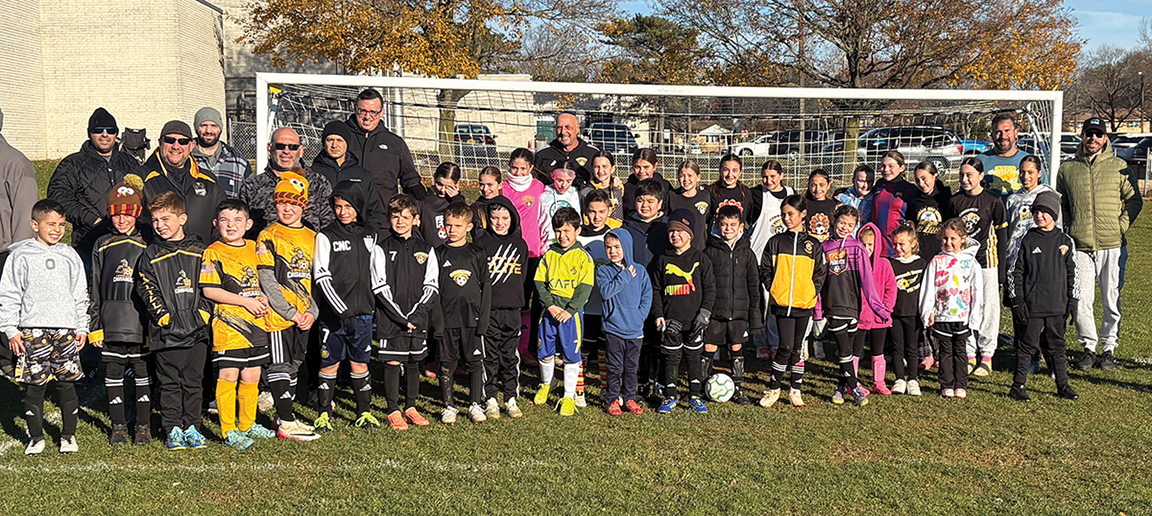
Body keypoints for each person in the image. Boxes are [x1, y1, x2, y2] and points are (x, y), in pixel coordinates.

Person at [1, 200, 88, 455]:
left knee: (66, 384)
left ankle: (68, 436)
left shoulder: (70, 255)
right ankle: (36, 437)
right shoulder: (20, 256)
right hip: (33, 331)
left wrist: (82, 327)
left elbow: (80, 293)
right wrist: (10, 329)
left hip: (65, 331)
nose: (57, 230)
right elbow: (9, 294)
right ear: (34, 225)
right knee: (35, 386)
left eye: (61, 224)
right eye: (51, 224)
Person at [1056, 117, 1142, 371]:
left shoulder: (1118, 166)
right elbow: (1063, 204)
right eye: (1088, 134)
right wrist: (1069, 230)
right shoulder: (1067, 169)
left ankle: (1108, 349)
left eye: (1097, 134)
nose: (1092, 138)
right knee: (1081, 298)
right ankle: (1088, 347)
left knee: (1110, 298)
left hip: (1112, 245)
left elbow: (1134, 200)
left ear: (1105, 138)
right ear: (1082, 137)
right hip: (1081, 246)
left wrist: (1120, 226)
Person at [199, 198, 279, 450]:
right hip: (228, 326)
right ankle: (228, 430)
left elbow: (261, 281)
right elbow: (210, 290)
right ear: (216, 224)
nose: (231, 225)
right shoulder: (212, 252)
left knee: (252, 375)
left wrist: (263, 297)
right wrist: (245, 302)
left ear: (248, 224)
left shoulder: (255, 248)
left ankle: (247, 423)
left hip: (256, 324)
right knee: (229, 375)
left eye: (237, 220)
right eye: (224, 220)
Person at [136, 192, 212, 450]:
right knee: (169, 383)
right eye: (155, 220)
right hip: (165, 333)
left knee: (193, 382)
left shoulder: (201, 251)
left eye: (166, 218)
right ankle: (173, 428)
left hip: (197, 331)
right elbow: (147, 288)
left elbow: (210, 285)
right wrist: (163, 316)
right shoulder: (150, 254)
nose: (160, 225)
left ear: (182, 219)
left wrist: (203, 313)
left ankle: (192, 426)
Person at [256, 173, 321, 441]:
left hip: (304, 316)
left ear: (303, 206)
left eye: (294, 203)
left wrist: (312, 313)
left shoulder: (314, 237)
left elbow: (317, 281)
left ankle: (283, 416)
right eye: (282, 202)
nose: (287, 208)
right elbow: (267, 278)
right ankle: (287, 421)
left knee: (295, 364)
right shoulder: (268, 235)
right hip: (279, 316)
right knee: (279, 365)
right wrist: (289, 312)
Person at [88, 178, 152, 445]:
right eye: (116, 214)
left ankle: (143, 426)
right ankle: (118, 426)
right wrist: (95, 325)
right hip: (111, 321)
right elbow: (94, 287)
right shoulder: (102, 244)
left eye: (127, 214)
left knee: (142, 374)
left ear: (137, 214)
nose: (122, 220)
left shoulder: (148, 242)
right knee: (113, 374)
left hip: (139, 323)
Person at [313, 181, 381, 430]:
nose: (343, 212)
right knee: (329, 363)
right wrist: (340, 308)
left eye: (349, 206)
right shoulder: (326, 235)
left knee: (360, 362)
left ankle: (364, 412)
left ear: (359, 206)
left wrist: (373, 305)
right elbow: (321, 275)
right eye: (338, 206)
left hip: (362, 314)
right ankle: (324, 413)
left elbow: (377, 273)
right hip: (333, 316)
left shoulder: (371, 234)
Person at [371, 194, 439, 430]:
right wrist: (401, 317)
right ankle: (392, 410)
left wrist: (417, 315)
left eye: (405, 217)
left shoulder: (426, 249)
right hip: (391, 318)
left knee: (413, 360)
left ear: (416, 220)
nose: (400, 222)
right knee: (392, 361)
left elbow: (432, 285)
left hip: (417, 318)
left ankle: (410, 407)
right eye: (395, 217)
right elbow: (379, 286)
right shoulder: (381, 248)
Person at [47, 107, 142, 265]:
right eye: (98, 130)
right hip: (89, 242)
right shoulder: (73, 164)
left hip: (128, 242)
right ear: (89, 133)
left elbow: (142, 194)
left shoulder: (129, 162)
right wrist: (92, 219)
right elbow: (58, 197)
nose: (105, 134)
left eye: (110, 130)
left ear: (116, 134)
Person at [1008, 191, 1079, 402]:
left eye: (1044, 212)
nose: (1039, 216)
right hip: (1033, 306)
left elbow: (1073, 273)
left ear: (1054, 214)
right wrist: (1017, 301)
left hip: (1057, 305)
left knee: (1057, 345)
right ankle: (1018, 386)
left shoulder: (1065, 241)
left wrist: (1073, 302)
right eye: (1036, 212)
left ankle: (1063, 385)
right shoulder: (1026, 239)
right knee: (1026, 345)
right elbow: (1015, 271)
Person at [758, 195, 826, 409]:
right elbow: (765, 268)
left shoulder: (813, 245)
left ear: (803, 214)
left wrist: (811, 292)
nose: (786, 218)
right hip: (781, 304)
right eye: (784, 214)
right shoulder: (776, 242)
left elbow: (820, 273)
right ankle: (774, 389)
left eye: (791, 214)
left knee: (797, 348)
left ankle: (795, 390)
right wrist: (774, 288)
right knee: (785, 346)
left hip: (804, 304)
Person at [817, 205, 887, 406]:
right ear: (834, 221)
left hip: (854, 307)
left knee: (846, 351)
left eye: (850, 225)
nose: (845, 228)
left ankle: (840, 388)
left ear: (855, 226)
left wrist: (877, 307)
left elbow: (867, 280)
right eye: (842, 222)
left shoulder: (857, 248)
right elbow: (819, 281)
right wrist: (818, 310)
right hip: (834, 305)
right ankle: (855, 388)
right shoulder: (824, 248)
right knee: (844, 350)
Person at [651, 208, 716, 414]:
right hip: (671, 321)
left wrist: (704, 314)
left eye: (680, 231)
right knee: (671, 358)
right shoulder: (663, 260)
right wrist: (659, 315)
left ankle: (695, 396)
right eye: (671, 231)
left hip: (695, 321)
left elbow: (710, 289)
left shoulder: (701, 259)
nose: (675, 235)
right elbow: (656, 290)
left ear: (690, 234)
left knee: (693, 358)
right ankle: (670, 396)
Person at [532, 207, 594, 416]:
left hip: (570, 315)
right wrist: (549, 305)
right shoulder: (549, 255)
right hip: (549, 311)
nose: (562, 236)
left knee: (571, 354)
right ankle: (546, 384)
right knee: (545, 351)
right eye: (558, 231)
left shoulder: (583, 257)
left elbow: (585, 288)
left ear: (578, 231)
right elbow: (539, 282)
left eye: (567, 231)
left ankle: (568, 396)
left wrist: (570, 310)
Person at [947, 157, 1006, 376]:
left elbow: (1002, 235)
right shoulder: (955, 202)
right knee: (966, 307)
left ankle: (987, 355)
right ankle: (969, 354)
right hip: (963, 264)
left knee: (989, 308)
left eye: (969, 175)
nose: (965, 179)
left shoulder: (993, 200)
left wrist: (1002, 270)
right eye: (962, 175)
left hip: (987, 262)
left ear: (981, 176)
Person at [434, 203, 491, 424]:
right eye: (448, 225)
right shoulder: (438, 254)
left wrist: (482, 320)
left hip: (472, 319)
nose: (452, 230)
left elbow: (486, 287)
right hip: (447, 319)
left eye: (458, 226)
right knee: (447, 363)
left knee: (474, 362)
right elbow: (433, 289)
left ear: (468, 227)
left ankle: (475, 404)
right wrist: (436, 320)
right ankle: (449, 406)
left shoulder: (477, 253)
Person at [474, 196, 528, 419]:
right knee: (489, 355)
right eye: (495, 218)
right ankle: (491, 398)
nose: (500, 222)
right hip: (488, 310)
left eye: (505, 218)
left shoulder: (520, 245)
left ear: (513, 219)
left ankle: (511, 397)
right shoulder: (481, 243)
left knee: (510, 355)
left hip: (512, 310)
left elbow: (522, 276)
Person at [703, 205, 762, 405]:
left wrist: (754, 317)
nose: (728, 229)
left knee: (736, 347)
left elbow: (754, 286)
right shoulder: (710, 251)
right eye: (724, 224)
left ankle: (737, 388)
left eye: (732, 225)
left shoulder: (747, 253)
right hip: (715, 312)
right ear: (717, 225)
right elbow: (705, 283)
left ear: (741, 227)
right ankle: (703, 386)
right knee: (709, 346)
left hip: (738, 313)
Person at [920, 218, 983, 399]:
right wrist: (928, 312)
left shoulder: (970, 262)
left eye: (953, 239)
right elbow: (929, 288)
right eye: (945, 238)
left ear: (963, 239)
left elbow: (977, 291)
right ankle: (947, 384)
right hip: (942, 315)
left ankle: (961, 384)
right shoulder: (936, 261)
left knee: (961, 351)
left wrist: (974, 317)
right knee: (945, 352)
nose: (948, 242)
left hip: (962, 316)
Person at [0, 108, 41, 377]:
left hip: (5, 249)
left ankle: (8, 357)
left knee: (8, 306)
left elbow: (26, 213)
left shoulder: (15, 162)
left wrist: (18, 254)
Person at [140, 120, 227, 245]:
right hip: (158, 255)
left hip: (201, 254)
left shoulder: (209, 181)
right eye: (170, 140)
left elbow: (223, 221)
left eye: (183, 142)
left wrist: (216, 249)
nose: (176, 146)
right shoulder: (141, 178)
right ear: (160, 142)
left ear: (191, 146)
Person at [622, 179, 669, 399]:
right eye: (641, 200)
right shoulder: (627, 227)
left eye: (650, 201)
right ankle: (640, 381)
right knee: (638, 339)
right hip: (635, 293)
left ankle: (659, 381)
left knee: (659, 338)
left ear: (660, 203)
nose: (645, 205)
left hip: (660, 292)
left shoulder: (667, 227)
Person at [239, 127, 334, 234]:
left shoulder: (318, 183)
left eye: (293, 147)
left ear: (301, 151)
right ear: (270, 148)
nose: (286, 151)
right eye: (280, 146)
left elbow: (329, 227)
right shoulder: (252, 186)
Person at [597, 228, 651, 415]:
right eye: (608, 247)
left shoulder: (640, 271)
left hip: (635, 329)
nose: (612, 251)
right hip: (614, 328)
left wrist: (640, 316)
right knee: (614, 367)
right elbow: (606, 292)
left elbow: (647, 295)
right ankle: (612, 399)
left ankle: (630, 398)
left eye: (617, 247)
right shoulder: (604, 270)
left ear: (626, 247)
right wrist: (625, 275)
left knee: (631, 367)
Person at [344, 88, 426, 210]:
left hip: (383, 214)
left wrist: (419, 197)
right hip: (347, 213)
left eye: (373, 112)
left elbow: (410, 179)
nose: (367, 117)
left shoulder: (395, 143)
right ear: (355, 109)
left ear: (382, 112)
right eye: (363, 111)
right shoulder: (341, 138)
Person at [748, 160, 795, 361]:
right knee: (760, 303)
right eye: (764, 177)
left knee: (777, 303)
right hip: (759, 256)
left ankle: (776, 343)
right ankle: (761, 344)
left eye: (773, 177)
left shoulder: (791, 193)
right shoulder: (757, 194)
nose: (768, 181)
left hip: (783, 257)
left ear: (782, 175)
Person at [576, 190, 615, 405]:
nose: (597, 216)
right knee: (584, 347)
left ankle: (605, 388)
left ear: (609, 211)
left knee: (604, 347)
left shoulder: (615, 236)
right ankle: (579, 389)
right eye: (592, 211)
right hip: (585, 305)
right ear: (585, 212)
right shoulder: (578, 237)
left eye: (601, 211)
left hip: (607, 305)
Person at [310, 120, 385, 229]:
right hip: (323, 233)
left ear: (347, 143)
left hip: (357, 234)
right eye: (330, 140)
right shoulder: (313, 173)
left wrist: (370, 232)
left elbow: (373, 210)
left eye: (339, 140)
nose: (334, 145)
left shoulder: (363, 175)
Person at [857, 223, 896, 395]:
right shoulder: (855, 264)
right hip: (859, 316)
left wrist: (886, 309)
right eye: (863, 245)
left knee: (878, 350)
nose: (867, 249)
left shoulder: (884, 264)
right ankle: (853, 381)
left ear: (877, 244)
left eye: (870, 245)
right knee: (855, 350)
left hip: (879, 317)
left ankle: (879, 381)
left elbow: (891, 287)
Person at [888, 224, 926, 396]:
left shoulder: (921, 263)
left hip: (913, 313)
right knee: (897, 348)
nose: (898, 248)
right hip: (894, 313)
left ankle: (912, 379)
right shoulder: (890, 263)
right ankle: (899, 379)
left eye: (902, 244)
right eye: (894, 244)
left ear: (913, 243)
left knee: (912, 348)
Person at [191, 107, 252, 198]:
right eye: (203, 125)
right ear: (196, 128)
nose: (208, 131)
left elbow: (250, 197)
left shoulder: (238, 161)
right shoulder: (186, 157)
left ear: (220, 128)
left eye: (214, 126)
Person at [868, 150, 918, 255]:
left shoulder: (909, 189)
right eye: (883, 166)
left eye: (891, 166)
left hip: (897, 247)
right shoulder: (879, 185)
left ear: (902, 168)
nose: (886, 170)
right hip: (876, 245)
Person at [535, 112, 599, 185]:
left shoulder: (592, 153)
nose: (563, 132)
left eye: (568, 127)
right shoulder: (542, 154)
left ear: (577, 128)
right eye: (559, 128)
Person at [906, 160, 952, 260]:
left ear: (935, 176)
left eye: (924, 179)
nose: (921, 184)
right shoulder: (914, 200)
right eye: (917, 180)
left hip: (941, 252)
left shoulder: (945, 198)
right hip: (921, 253)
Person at [978, 112, 1030, 197]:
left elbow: (1044, 194)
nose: (1003, 136)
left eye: (1007, 131)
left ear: (1016, 133)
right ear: (992, 135)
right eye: (998, 132)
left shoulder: (1029, 162)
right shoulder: (979, 162)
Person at [418, 162, 466, 248]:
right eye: (439, 184)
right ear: (434, 178)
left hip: (452, 250)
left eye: (448, 186)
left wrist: (456, 199)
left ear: (457, 185)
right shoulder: (424, 199)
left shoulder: (458, 202)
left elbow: (465, 223)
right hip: (428, 250)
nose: (443, 190)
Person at [668, 160, 711, 251]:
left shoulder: (705, 195)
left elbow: (708, 219)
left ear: (698, 177)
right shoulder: (672, 196)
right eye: (682, 176)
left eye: (690, 175)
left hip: (700, 250)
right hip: (678, 250)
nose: (686, 179)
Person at [622, 148, 672, 218]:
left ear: (655, 166)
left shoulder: (665, 186)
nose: (641, 171)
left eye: (646, 167)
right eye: (637, 167)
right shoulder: (627, 188)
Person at [579, 151, 624, 225]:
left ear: (613, 168)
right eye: (596, 167)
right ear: (592, 169)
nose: (600, 171)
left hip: (617, 229)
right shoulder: (585, 192)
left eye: (605, 166)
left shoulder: (619, 188)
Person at [707, 154, 754, 226]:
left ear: (740, 172)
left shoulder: (746, 193)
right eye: (726, 170)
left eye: (735, 170)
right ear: (720, 170)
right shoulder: (710, 192)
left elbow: (751, 220)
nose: (730, 174)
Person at [541, 164, 582, 244]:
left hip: (569, 242)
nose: (563, 185)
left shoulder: (577, 194)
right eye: (559, 181)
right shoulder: (543, 194)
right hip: (547, 242)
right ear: (552, 176)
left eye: (568, 181)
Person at [804, 169, 836, 242]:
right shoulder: (804, 204)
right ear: (809, 185)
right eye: (813, 185)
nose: (818, 189)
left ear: (828, 186)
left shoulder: (833, 205)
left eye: (822, 185)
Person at [470, 166, 503, 238]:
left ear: (500, 185)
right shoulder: (477, 208)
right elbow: (477, 234)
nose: (485, 189)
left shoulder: (507, 205)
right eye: (482, 185)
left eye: (490, 185)